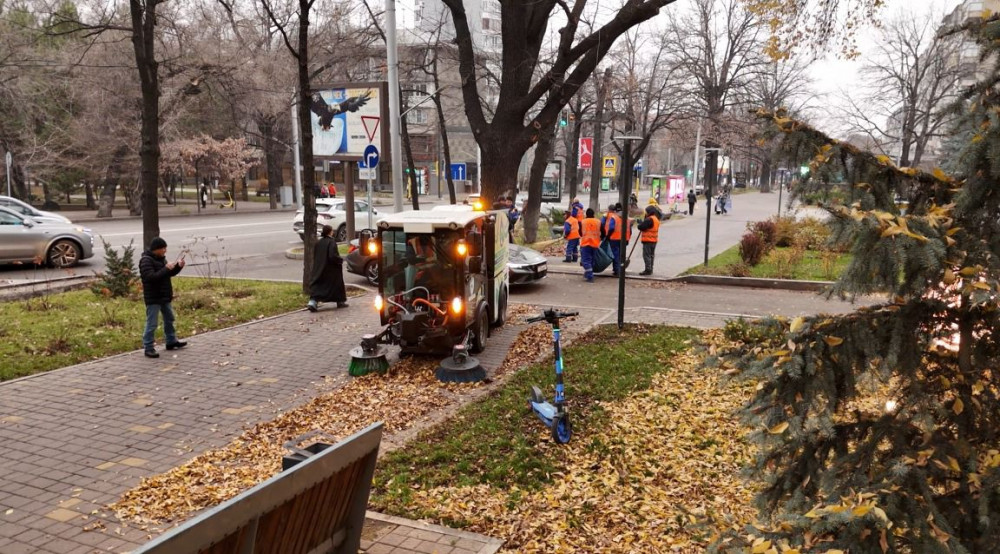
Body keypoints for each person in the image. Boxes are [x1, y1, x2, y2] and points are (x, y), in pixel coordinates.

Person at [139, 237, 186, 358]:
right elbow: (150, 277)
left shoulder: (161, 259)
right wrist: (165, 268)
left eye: (165, 248)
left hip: (164, 296)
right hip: (153, 297)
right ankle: (148, 347)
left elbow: (167, 274)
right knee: (152, 323)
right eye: (163, 248)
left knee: (169, 318)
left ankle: (171, 341)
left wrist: (177, 267)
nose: (165, 250)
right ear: (156, 249)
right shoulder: (146, 261)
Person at [307, 225, 348, 311]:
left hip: (319, 268)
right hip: (331, 269)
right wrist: (340, 260)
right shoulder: (331, 242)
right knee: (336, 284)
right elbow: (332, 255)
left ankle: (313, 302)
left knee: (318, 285)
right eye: (332, 230)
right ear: (330, 232)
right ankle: (340, 301)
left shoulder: (318, 242)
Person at [601, 204, 628, 276]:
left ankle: (617, 270)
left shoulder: (614, 217)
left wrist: (608, 236)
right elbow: (629, 229)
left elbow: (611, 228)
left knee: (615, 254)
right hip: (623, 239)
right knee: (621, 254)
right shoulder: (626, 217)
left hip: (614, 238)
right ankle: (620, 269)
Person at [636, 205, 660, 275]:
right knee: (651, 255)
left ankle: (648, 270)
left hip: (648, 240)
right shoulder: (655, 219)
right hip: (654, 240)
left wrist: (640, 223)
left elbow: (641, 227)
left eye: (646, 212)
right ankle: (650, 268)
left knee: (646, 255)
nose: (645, 213)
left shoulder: (649, 219)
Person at [579, 208, 601, 282]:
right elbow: (603, 231)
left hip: (586, 243)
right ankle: (587, 273)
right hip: (595, 244)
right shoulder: (598, 222)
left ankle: (590, 276)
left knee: (585, 261)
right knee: (592, 260)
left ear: (586, 215)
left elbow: (580, 232)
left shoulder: (583, 222)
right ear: (593, 214)